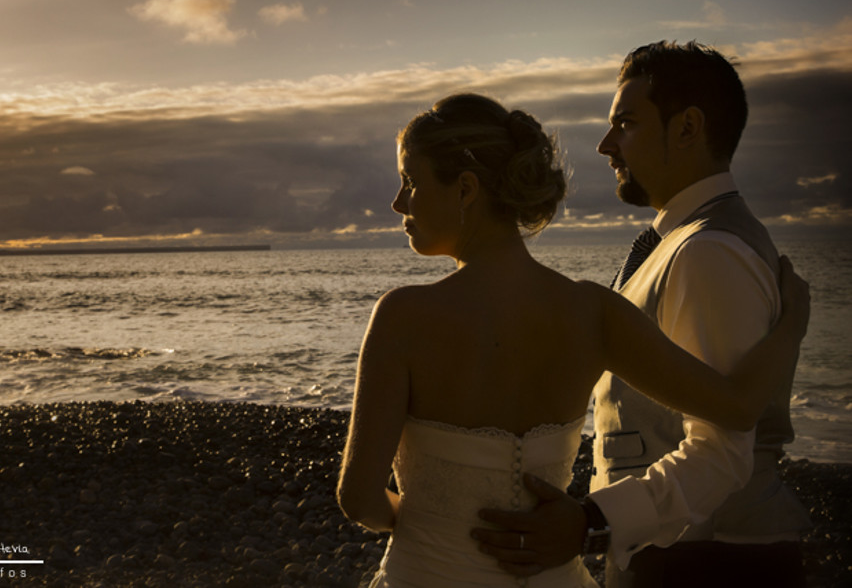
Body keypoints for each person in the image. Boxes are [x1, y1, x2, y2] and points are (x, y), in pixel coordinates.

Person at [336, 91, 809, 587]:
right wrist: (791, 328)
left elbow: (359, 498)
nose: (397, 202)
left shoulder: (403, 316)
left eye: (411, 180)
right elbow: (736, 407)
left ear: (466, 188)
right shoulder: (593, 311)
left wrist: (439, 527)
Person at [472, 41, 812, 587]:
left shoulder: (708, 252)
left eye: (625, 123)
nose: (607, 144)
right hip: (681, 549)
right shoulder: (681, 242)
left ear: (688, 127)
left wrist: (591, 522)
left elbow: (722, 449)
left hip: (709, 562)